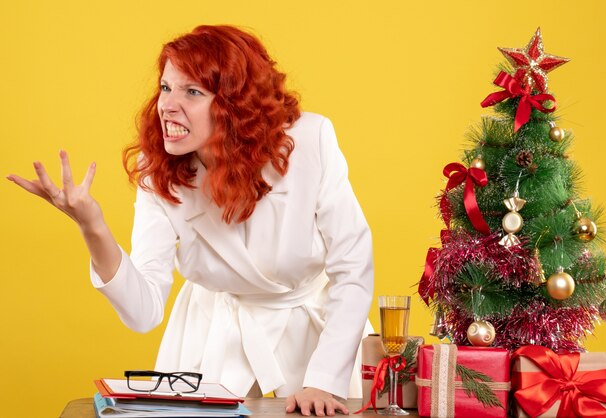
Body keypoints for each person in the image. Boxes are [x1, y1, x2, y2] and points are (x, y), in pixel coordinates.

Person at [7, 25, 373, 416]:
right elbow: (143, 311)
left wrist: (323, 380)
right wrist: (92, 226)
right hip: (213, 343)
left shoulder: (310, 140)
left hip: (316, 344)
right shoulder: (158, 169)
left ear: (236, 105)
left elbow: (352, 266)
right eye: (166, 88)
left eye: (192, 92)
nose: (167, 105)